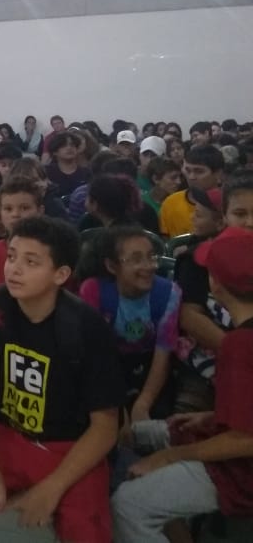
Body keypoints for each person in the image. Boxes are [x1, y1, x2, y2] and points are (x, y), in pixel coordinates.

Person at [0, 216, 125, 543]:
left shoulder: (86, 327)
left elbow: (106, 427)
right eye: (11, 257)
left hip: (67, 446)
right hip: (5, 433)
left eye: (30, 261)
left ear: (61, 274)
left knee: (87, 529)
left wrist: (51, 488)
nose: (14, 269)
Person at [111, 226, 253, 542]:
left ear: (215, 282)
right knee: (134, 433)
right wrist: (211, 418)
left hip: (240, 471)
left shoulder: (240, 344)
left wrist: (171, 456)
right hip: (229, 440)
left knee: (127, 504)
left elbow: (246, 440)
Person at [79, 226, 181, 420]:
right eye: (136, 259)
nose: (150, 266)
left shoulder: (169, 293)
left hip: (150, 366)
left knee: (157, 417)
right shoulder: (94, 291)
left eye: (151, 256)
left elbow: (163, 354)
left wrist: (143, 404)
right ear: (111, 266)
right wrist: (118, 409)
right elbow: (96, 355)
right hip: (107, 365)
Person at [174, 176, 253, 413]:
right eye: (240, 214)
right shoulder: (199, 259)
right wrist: (239, 354)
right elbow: (189, 316)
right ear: (224, 218)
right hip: (212, 359)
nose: (250, 222)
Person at [160, 145, 225, 238]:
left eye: (199, 171)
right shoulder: (170, 203)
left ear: (218, 173)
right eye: (188, 170)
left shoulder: (227, 205)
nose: (191, 177)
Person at [45, 131, 91, 199]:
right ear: (54, 151)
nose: (69, 148)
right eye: (63, 146)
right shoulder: (46, 172)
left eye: (72, 145)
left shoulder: (86, 172)